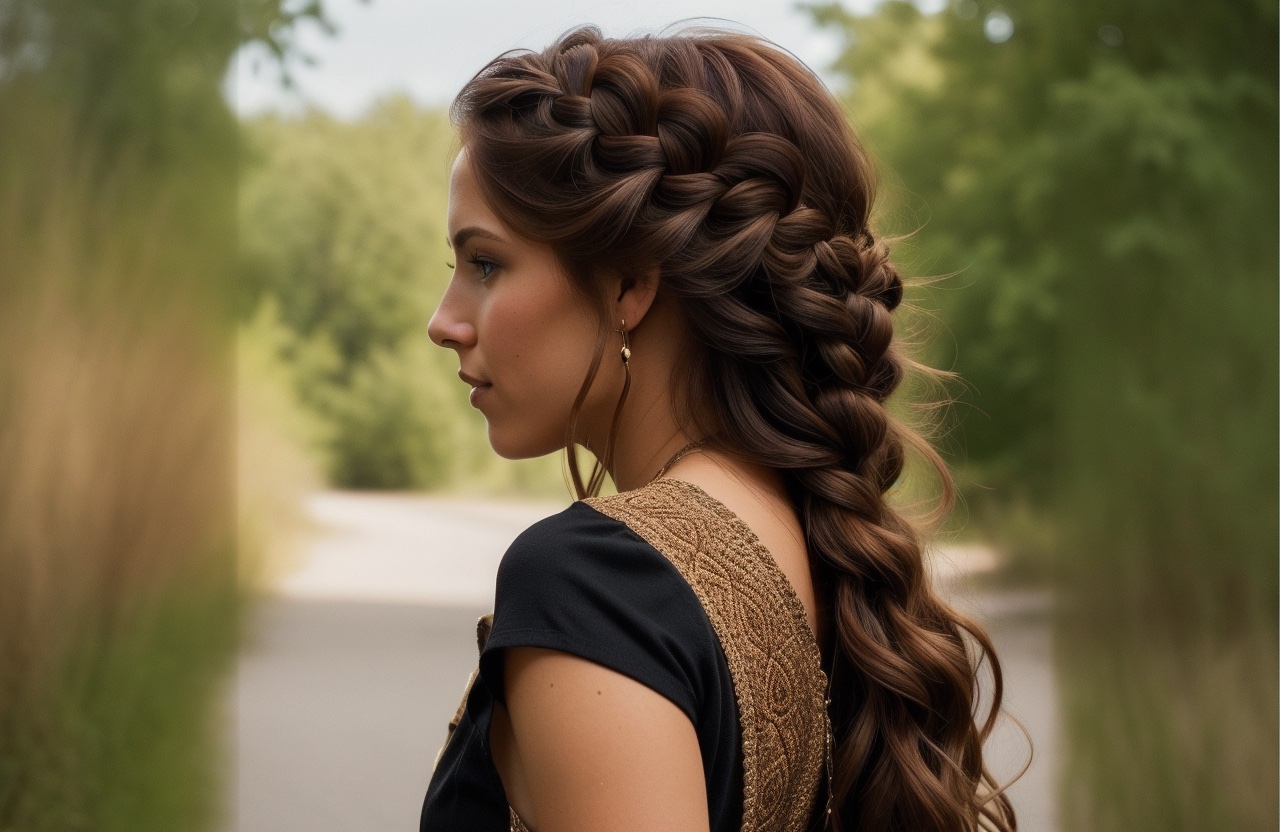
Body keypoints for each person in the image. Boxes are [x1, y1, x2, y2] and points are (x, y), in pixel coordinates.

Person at [421, 24, 1016, 832]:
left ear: (630, 282)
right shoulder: (817, 548)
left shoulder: (595, 584)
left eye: (485, 263)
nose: (444, 321)